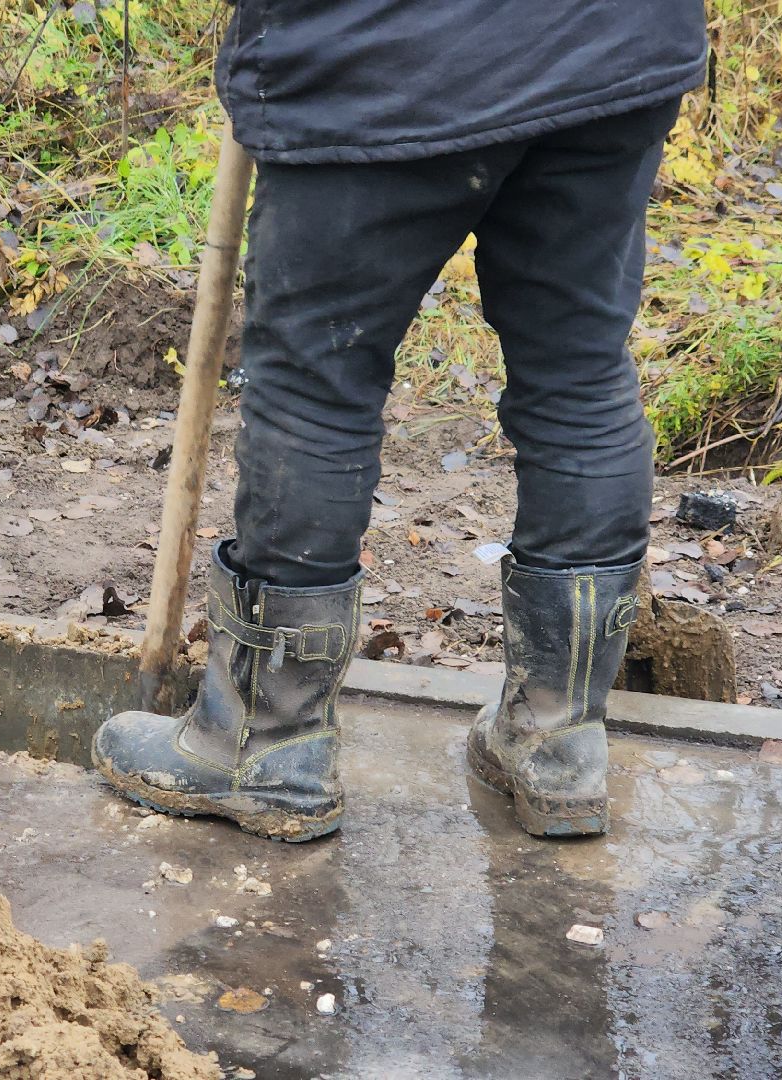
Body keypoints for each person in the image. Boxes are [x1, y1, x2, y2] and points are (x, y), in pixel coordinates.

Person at [93, 1, 709, 840]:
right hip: (609, 42)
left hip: (383, 57)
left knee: (318, 377)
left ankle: (264, 744)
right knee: (578, 367)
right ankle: (558, 742)